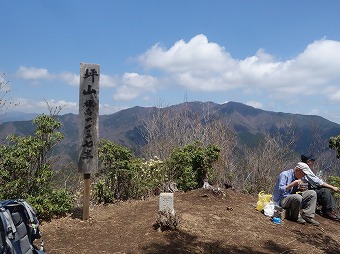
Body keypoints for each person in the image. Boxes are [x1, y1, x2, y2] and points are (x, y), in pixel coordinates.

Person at [301, 153, 340, 221]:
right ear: (308, 161)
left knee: (321, 190)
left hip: (304, 188)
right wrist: (332, 187)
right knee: (324, 191)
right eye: (313, 161)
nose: (313, 162)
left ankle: (328, 209)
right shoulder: (305, 168)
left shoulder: (302, 166)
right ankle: (327, 211)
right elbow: (318, 182)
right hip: (303, 191)